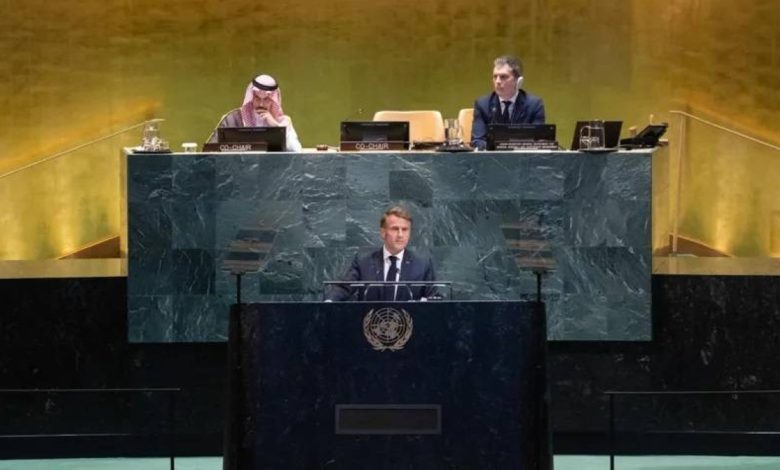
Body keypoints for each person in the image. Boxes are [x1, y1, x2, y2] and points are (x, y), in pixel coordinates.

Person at [326, 206, 436, 302]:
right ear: (383, 232)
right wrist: (329, 302)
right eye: (395, 229)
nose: (400, 235)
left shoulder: (422, 264)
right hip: (370, 319)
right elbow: (344, 288)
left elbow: (434, 297)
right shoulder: (363, 261)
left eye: (405, 229)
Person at [208, 74, 303, 152]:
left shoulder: (283, 122)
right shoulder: (233, 119)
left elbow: (296, 150)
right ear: (251, 98)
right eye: (257, 98)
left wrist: (276, 127)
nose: (261, 104)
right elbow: (210, 151)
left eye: (266, 99)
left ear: (273, 101)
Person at [470, 55, 546, 150]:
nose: (497, 81)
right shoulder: (482, 104)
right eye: (495, 77)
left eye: (503, 77)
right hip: (492, 158)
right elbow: (478, 140)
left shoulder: (534, 105)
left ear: (518, 81)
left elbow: (537, 141)